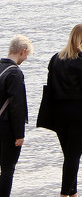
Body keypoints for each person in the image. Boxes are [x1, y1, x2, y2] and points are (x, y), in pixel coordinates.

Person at [47, 24, 82, 197]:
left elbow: (50, 88)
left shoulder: (56, 58)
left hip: (59, 114)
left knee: (70, 156)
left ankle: (73, 193)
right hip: (79, 114)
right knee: (73, 157)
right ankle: (65, 194)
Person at [0, 36, 32, 197]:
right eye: (27, 55)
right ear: (23, 51)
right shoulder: (15, 73)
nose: (25, 59)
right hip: (6, 128)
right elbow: (17, 106)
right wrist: (20, 134)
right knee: (7, 168)